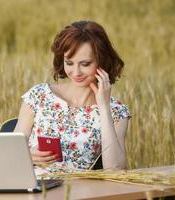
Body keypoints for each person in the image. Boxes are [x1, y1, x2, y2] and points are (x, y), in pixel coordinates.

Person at [14, 20, 131, 171]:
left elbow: (115, 170)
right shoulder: (38, 96)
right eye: (69, 63)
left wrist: (104, 107)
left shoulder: (116, 112)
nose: (76, 73)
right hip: (33, 190)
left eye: (85, 64)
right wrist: (27, 156)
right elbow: (11, 153)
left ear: (101, 62)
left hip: (79, 193)